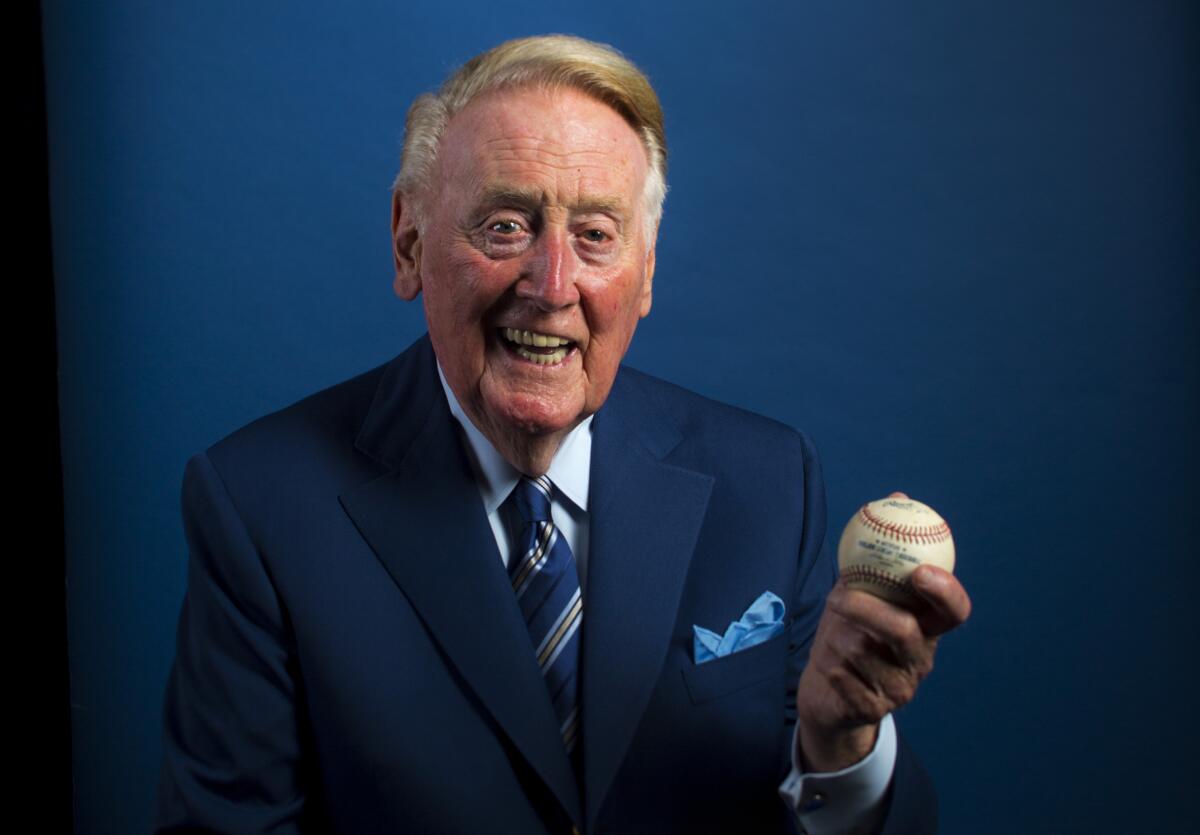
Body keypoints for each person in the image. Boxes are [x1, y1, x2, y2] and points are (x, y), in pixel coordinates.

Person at [156, 34, 971, 834]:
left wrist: (839, 750)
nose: (552, 287)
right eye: (505, 225)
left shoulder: (769, 484)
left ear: (645, 271)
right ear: (410, 243)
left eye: (595, 235)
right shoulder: (260, 508)